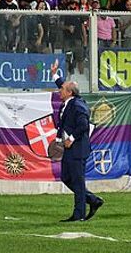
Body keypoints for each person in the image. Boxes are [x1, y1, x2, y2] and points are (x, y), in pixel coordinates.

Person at [51, 60, 104, 222]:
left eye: (61, 89)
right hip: (71, 149)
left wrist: (71, 139)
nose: (59, 90)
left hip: (77, 149)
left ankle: (79, 214)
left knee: (77, 181)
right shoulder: (70, 100)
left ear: (69, 93)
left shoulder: (78, 105)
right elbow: (64, 85)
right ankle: (92, 200)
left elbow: (83, 125)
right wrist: (55, 74)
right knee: (66, 178)